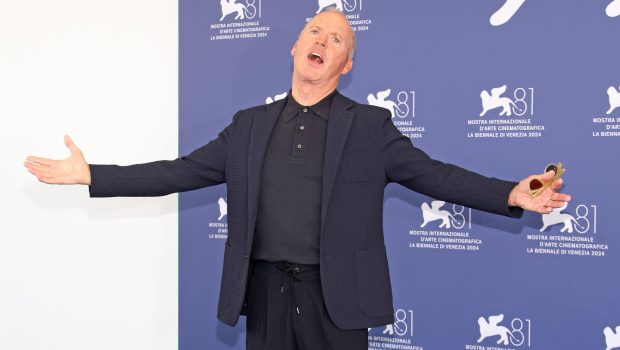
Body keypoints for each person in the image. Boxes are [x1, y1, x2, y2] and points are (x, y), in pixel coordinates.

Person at [24, 9, 571, 350]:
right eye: (315, 31)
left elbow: (433, 175)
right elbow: (181, 171)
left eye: (336, 39)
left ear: (346, 64)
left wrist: (509, 193)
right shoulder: (248, 126)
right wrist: (92, 174)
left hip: (338, 300)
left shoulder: (371, 128)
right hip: (265, 295)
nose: (322, 40)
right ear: (294, 46)